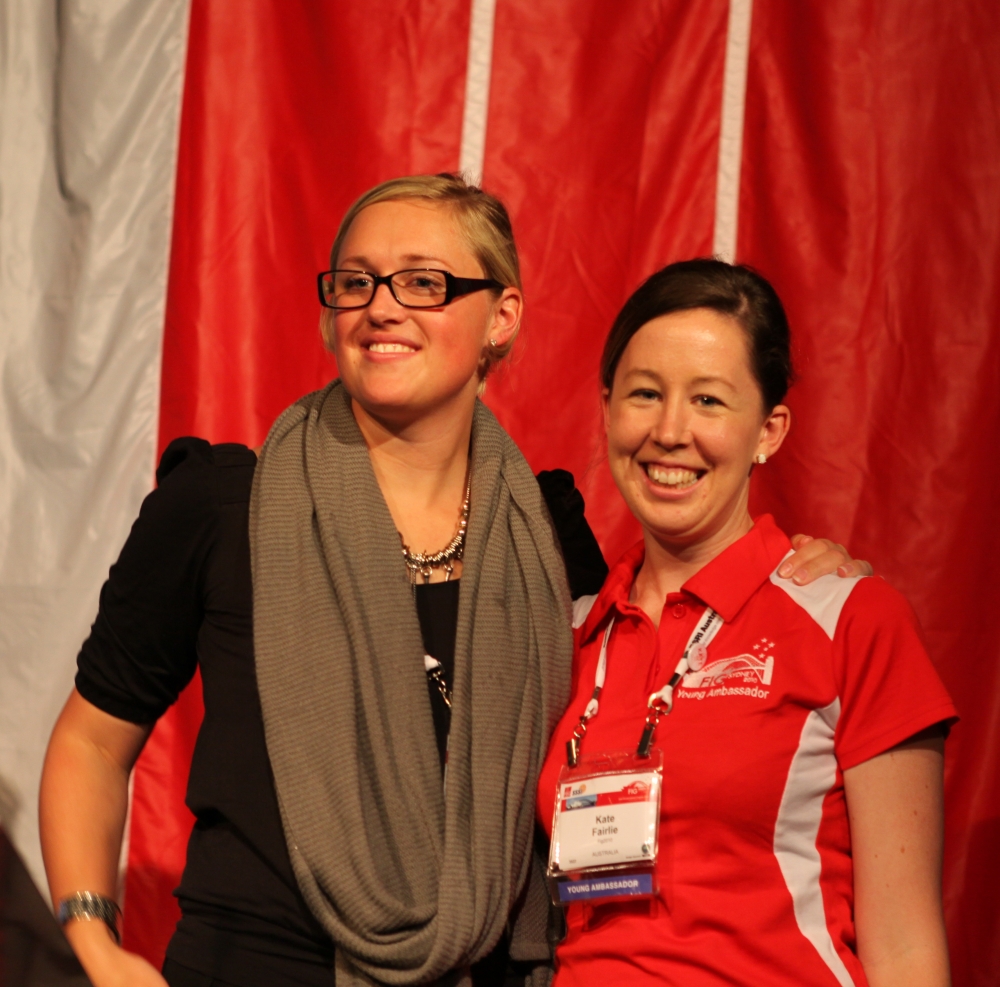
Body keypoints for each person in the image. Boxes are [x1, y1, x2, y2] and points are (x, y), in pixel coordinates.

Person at [39, 177, 864, 987]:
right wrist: (95, 943)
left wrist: (794, 569)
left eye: (423, 283)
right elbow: (90, 743)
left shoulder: (549, 539)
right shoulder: (224, 508)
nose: (381, 307)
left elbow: (672, 635)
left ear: (501, 317)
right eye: (357, 282)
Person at [537, 258, 956, 987]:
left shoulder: (850, 616)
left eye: (708, 400)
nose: (671, 431)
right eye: (645, 394)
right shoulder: (567, 634)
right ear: (606, 409)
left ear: (769, 429)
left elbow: (906, 949)